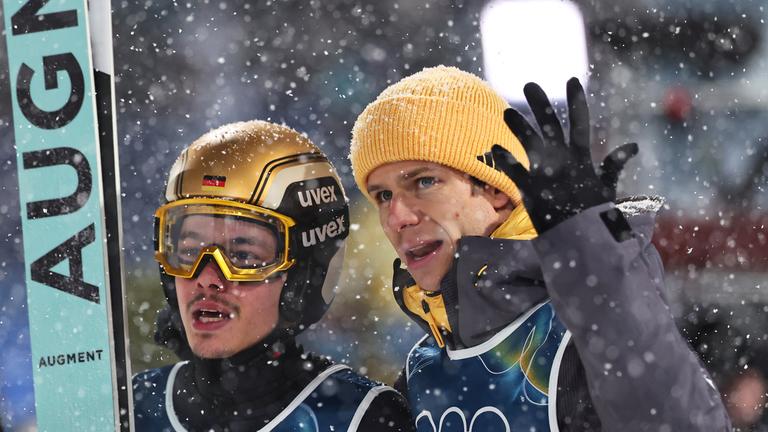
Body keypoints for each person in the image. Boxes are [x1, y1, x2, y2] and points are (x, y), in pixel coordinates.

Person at [349, 66, 732, 431]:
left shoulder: (583, 326)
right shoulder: (424, 367)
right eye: (382, 195)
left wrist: (591, 255)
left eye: (424, 182)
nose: (396, 216)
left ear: (497, 191)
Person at [132, 120, 414, 431]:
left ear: (302, 278)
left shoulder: (359, 418)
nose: (207, 278)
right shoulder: (133, 405)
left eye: (243, 256)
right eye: (188, 250)